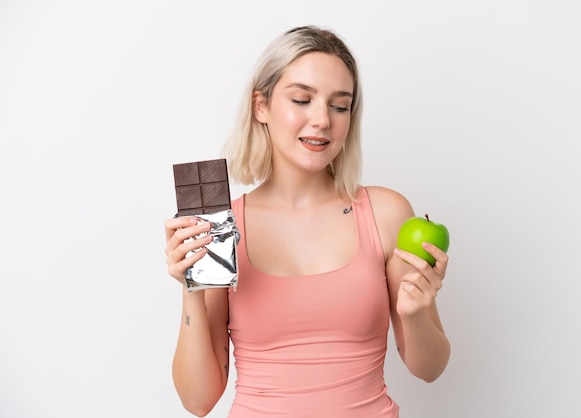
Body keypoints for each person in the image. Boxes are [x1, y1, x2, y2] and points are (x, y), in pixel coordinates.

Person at [164, 25, 450, 418]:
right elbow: (198, 401)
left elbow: (429, 368)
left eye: (339, 105)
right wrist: (192, 287)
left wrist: (416, 311)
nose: (322, 120)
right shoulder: (220, 226)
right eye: (302, 99)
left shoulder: (385, 214)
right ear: (261, 106)